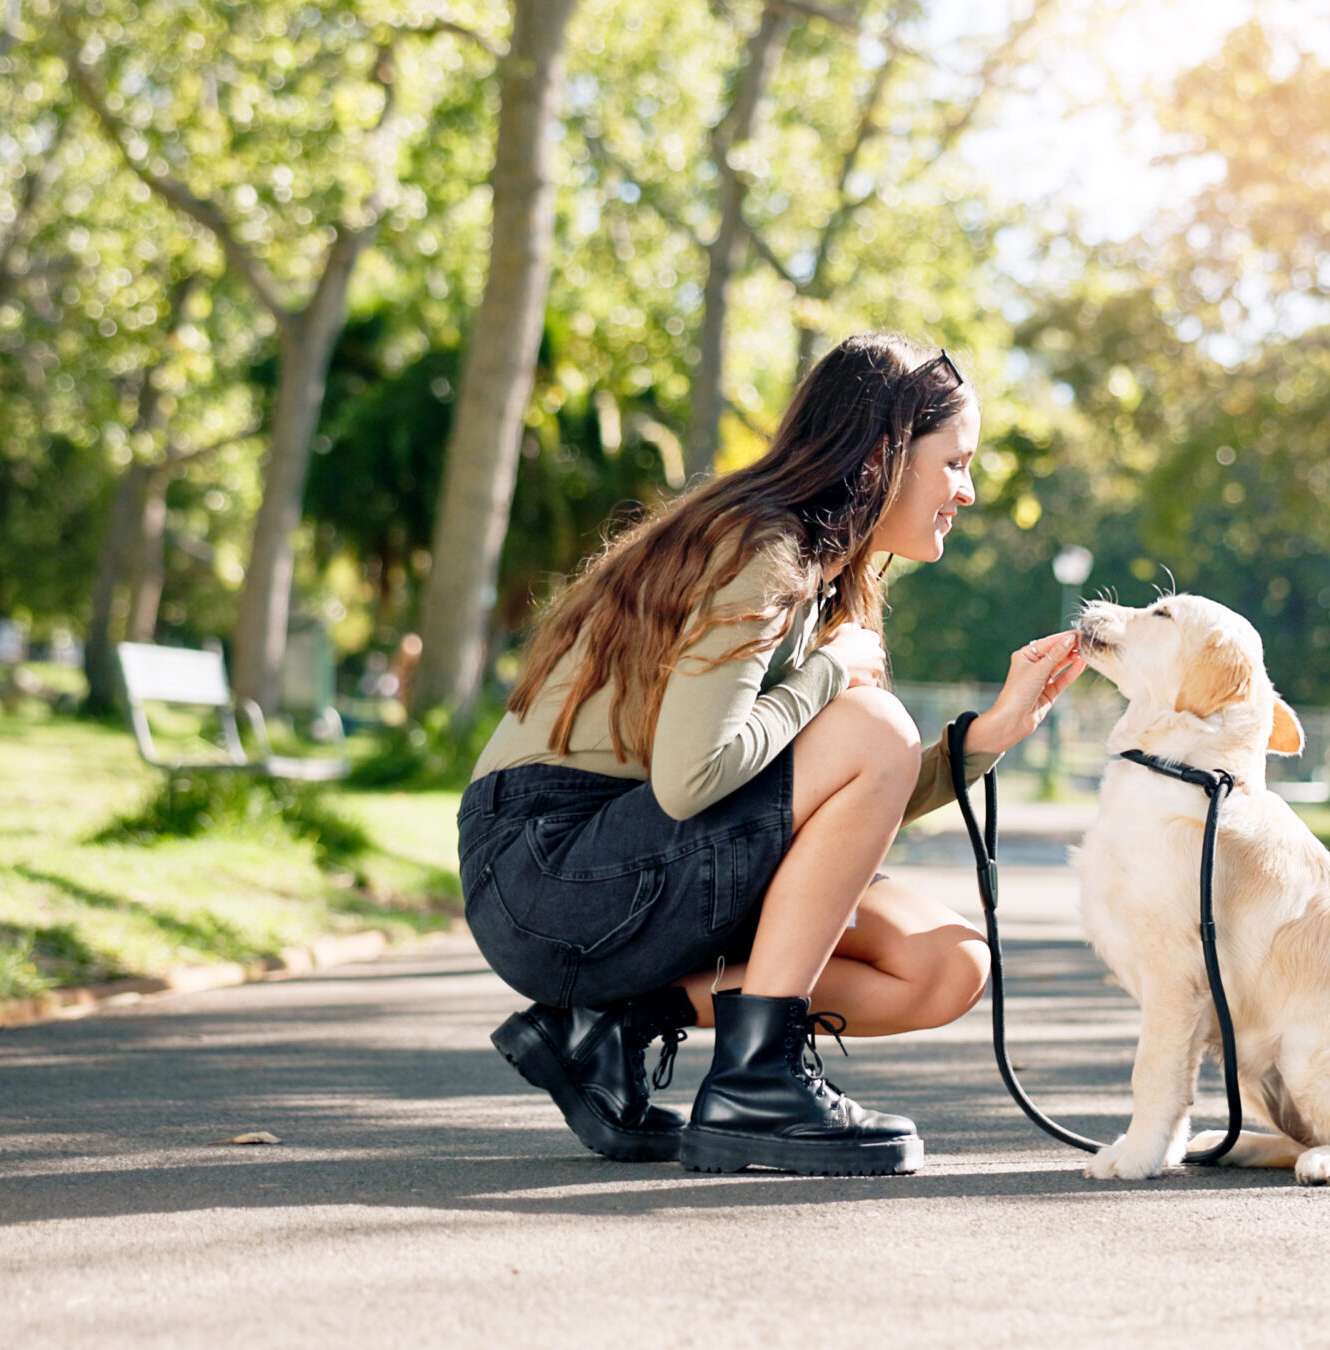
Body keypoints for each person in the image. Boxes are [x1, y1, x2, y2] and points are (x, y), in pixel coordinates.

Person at [455, 335, 1083, 1177]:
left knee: (946, 967)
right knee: (875, 722)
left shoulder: (829, 573)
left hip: (629, 861)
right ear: (884, 454)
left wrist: (987, 740)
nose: (965, 493)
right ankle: (758, 1080)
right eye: (955, 464)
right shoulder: (761, 548)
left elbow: (841, 789)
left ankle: (614, 1023)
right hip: (547, 872)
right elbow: (694, 781)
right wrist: (828, 675)